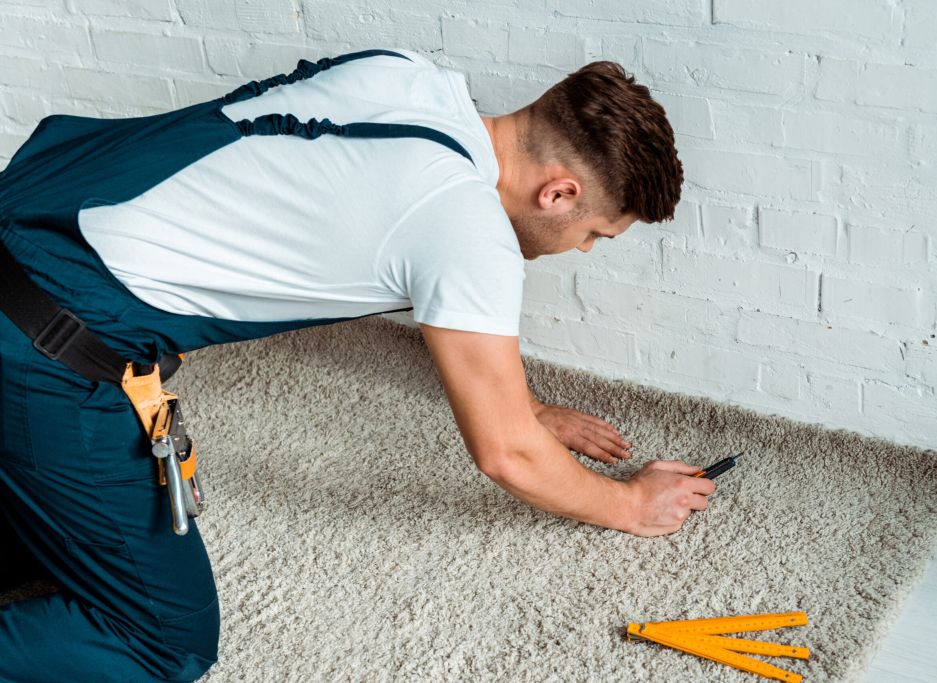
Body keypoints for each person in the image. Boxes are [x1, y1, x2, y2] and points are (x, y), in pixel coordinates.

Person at [0, 48, 716, 681]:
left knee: (55, 542)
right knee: (163, 637)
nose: (584, 248)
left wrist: (522, 405)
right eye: (594, 232)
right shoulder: (464, 227)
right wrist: (629, 503)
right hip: (39, 349)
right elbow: (506, 457)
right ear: (558, 192)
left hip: (25, 215)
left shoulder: (404, 74)